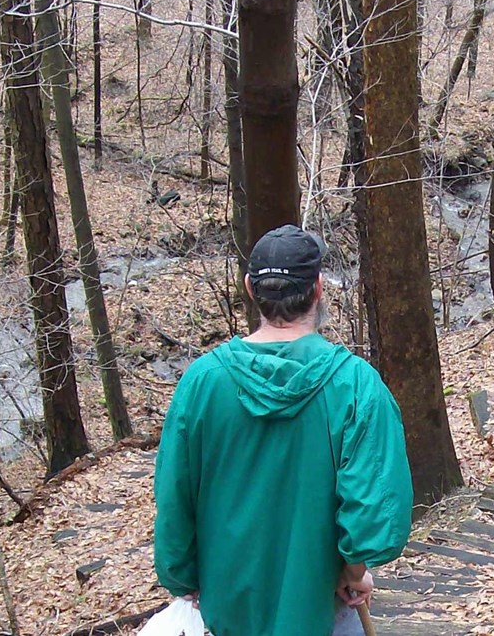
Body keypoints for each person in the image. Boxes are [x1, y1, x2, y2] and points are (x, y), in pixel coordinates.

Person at [153, 224, 414, 636]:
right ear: (318, 289)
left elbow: (174, 496)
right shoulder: (356, 385)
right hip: (321, 610)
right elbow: (373, 507)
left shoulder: (202, 382)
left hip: (227, 609)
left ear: (250, 289)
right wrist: (354, 570)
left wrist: (182, 579)